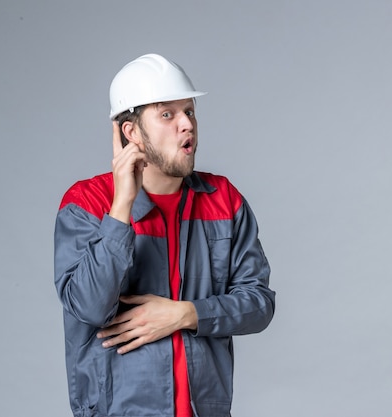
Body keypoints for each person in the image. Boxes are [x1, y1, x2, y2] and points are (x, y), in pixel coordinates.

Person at [54, 53, 275, 417]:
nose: (187, 124)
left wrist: (187, 314)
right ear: (132, 132)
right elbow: (89, 308)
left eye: (189, 111)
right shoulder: (86, 203)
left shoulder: (223, 200)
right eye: (167, 114)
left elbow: (259, 305)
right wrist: (121, 208)